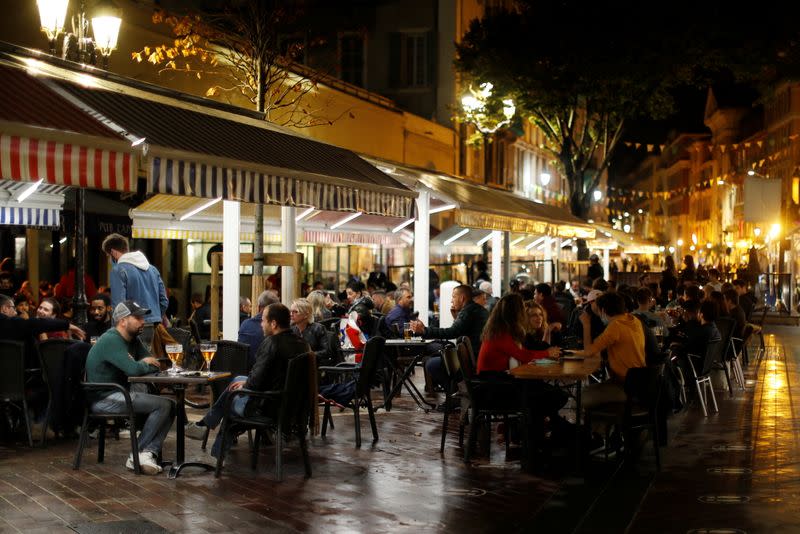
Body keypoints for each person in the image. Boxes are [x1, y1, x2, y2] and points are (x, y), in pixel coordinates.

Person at [185, 303, 311, 458]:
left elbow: (256, 381)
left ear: (273, 323)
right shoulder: (302, 344)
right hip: (291, 406)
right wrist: (247, 381)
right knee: (238, 380)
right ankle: (206, 425)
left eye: (263, 320)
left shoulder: (271, 343)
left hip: (267, 407)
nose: (261, 324)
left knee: (230, 401)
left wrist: (248, 383)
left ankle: (209, 433)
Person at [85, 300, 175, 475]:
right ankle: (137, 454)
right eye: (138, 317)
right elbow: (133, 369)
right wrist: (140, 363)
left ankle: (145, 453)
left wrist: (140, 363)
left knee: (171, 406)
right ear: (123, 321)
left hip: (120, 393)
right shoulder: (112, 339)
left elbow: (154, 363)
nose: (143, 321)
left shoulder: (133, 339)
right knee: (163, 405)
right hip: (103, 398)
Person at [574, 292, 646, 409]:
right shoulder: (634, 320)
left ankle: (602, 424)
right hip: (641, 384)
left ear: (603, 310)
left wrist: (586, 325)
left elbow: (588, 352)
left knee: (581, 397)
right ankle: (603, 425)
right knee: (590, 393)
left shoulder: (615, 326)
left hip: (624, 387)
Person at [410, 284, 489, 390]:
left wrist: (425, 330)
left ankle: (453, 394)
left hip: (471, 359)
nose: (452, 301)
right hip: (478, 355)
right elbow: (462, 329)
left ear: (462, 298)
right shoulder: (477, 310)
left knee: (431, 364)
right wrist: (456, 317)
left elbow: (451, 332)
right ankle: (455, 393)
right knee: (437, 357)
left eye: (453, 297)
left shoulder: (468, 311)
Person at [102, 233, 168, 353]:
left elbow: (119, 307)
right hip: (154, 326)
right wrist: (154, 317)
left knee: (134, 366)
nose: (109, 260)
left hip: (130, 328)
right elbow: (164, 301)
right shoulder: (153, 269)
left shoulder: (118, 270)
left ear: (113, 253)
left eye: (108, 255)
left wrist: (115, 333)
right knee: (149, 364)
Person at [238, 290, 280, 368]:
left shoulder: (245, 323)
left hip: (243, 370)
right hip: (264, 373)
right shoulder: (275, 328)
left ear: (258, 307)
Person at [290, 298, 331, 366]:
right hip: (295, 365)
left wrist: (307, 355)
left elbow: (326, 352)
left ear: (306, 315)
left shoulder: (318, 328)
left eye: (295, 312)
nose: (291, 314)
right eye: (291, 311)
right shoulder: (290, 329)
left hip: (314, 365)